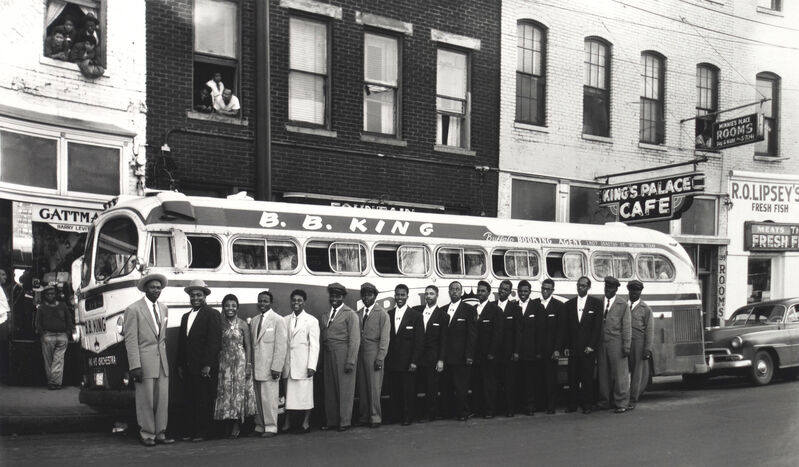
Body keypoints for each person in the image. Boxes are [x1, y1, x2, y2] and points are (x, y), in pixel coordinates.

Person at [123, 273, 173, 447]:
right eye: (153, 287)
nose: (156, 290)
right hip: (143, 362)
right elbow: (130, 340)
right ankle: (147, 434)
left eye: (159, 287)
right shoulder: (133, 309)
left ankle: (160, 433)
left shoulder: (164, 308)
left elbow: (162, 339)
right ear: (145, 289)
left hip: (162, 363)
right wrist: (135, 365)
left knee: (162, 400)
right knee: (146, 400)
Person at [177, 279, 222, 441]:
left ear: (205, 296)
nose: (195, 298)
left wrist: (208, 364)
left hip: (204, 366)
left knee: (204, 400)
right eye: (192, 295)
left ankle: (203, 432)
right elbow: (182, 343)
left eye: (199, 295)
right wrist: (180, 364)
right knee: (190, 399)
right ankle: (191, 430)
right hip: (188, 366)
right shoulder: (185, 317)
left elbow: (214, 341)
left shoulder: (212, 314)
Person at [213, 294, 258, 438]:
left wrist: (249, 365)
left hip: (240, 361)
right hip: (224, 361)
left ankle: (237, 424)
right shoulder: (219, 323)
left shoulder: (243, 324)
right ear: (223, 307)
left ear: (237, 307)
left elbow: (249, 346)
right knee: (226, 392)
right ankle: (226, 422)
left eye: (233, 306)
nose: (230, 308)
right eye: (227, 305)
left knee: (238, 392)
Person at [321, 282, 360, 431]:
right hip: (328, 354)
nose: (334, 299)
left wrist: (351, 360)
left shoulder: (350, 314)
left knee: (345, 389)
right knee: (330, 389)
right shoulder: (326, 314)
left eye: (338, 296)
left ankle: (344, 421)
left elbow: (355, 339)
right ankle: (332, 421)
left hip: (343, 354)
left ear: (343, 297)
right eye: (332, 296)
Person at [562, 276, 604, 414]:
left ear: (588, 287)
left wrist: (591, 345)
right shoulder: (569, 304)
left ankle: (587, 404)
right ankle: (572, 404)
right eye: (579, 285)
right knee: (572, 378)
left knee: (587, 378)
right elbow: (566, 328)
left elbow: (597, 327)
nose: (580, 288)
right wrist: (566, 346)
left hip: (588, 349)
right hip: (573, 348)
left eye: (583, 286)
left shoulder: (596, 304)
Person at [250, 291, 288, 437]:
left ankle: (271, 427)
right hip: (256, 367)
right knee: (258, 399)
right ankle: (260, 425)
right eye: (260, 301)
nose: (262, 304)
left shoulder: (278, 320)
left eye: (265, 301)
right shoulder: (254, 320)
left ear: (270, 303)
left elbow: (281, 346)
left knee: (270, 399)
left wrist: (277, 367)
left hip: (270, 368)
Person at [385, 284, 424, 426]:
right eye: (397, 294)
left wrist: (414, 361)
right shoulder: (388, 314)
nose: (399, 297)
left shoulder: (416, 316)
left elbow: (419, 341)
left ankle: (408, 416)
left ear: (407, 296)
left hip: (408, 362)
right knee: (394, 391)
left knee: (408, 391)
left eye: (402, 295)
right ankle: (395, 416)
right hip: (393, 361)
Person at [281, 289, 319, 434]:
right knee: (289, 395)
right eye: (294, 300)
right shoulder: (284, 320)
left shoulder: (311, 320)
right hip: (289, 364)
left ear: (304, 302)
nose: (296, 303)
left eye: (299, 300)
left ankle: (305, 422)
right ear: (290, 302)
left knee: (305, 395)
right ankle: (288, 422)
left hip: (304, 364)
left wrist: (312, 366)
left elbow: (315, 345)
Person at [441, 281, 477, 421]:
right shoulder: (443, 309)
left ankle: (463, 413)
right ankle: (448, 412)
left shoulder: (469, 309)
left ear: (461, 292)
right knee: (447, 387)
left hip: (461, 356)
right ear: (449, 292)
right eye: (452, 289)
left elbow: (472, 335)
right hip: (446, 356)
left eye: (457, 289)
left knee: (461, 387)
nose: (454, 291)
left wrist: (469, 355)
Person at [355, 282, 389, 428]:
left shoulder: (382, 314)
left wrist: (380, 357)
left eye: (369, 294)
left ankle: (375, 417)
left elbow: (385, 338)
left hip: (374, 352)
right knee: (362, 387)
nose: (366, 297)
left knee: (374, 388)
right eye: (364, 294)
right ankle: (364, 416)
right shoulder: (357, 314)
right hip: (360, 354)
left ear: (375, 296)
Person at [597, 276, 631, 413]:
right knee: (603, 374)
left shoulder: (622, 305)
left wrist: (626, 346)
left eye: (611, 288)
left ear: (616, 289)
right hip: (601, 343)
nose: (607, 290)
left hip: (617, 343)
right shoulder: (599, 302)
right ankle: (604, 401)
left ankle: (622, 403)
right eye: (606, 287)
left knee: (620, 374)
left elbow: (627, 327)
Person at [413, 285, 448, 422]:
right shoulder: (416, 311)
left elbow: (444, 340)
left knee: (431, 388)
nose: (428, 296)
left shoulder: (443, 316)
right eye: (426, 293)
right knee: (415, 386)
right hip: (416, 357)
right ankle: (415, 413)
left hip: (432, 358)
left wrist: (441, 360)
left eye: (431, 293)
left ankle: (430, 414)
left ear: (437, 295)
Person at [472, 280, 503, 419]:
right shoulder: (473, 309)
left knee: (489, 383)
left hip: (489, 355)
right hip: (476, 354)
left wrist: (492, 352)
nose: (480, 293)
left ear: (489, 293)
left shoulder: (495, 310)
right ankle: (478, 409)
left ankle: (490, 410)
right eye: (479, 291)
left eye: (483, 291)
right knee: (477, 383)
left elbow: (498, 333)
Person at [34, 284, 73, 390]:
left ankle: (54, 383)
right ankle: (54, 382)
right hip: (48, 336)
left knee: (58, 360)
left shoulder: (63, 305)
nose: (51, 295)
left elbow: (69, 319)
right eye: (48, 294)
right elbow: (38, 323)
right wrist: (43, 334)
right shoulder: (41, 308)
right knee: (50, 361)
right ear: (45, 295)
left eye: (52, 293)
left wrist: (67, 333)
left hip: (62, 336)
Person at [533, 279, 563, 414]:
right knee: (538, 379)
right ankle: (540, 405)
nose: (545, 291)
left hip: (551, 350)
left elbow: (560, 331)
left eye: (548, 289)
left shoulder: (558, 306)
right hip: (537, 350)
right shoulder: (534, 304)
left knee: (551, 379)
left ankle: (551, 406)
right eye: (543, 288)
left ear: (552, 291)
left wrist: (557, 349)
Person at [496, 280, 522, 417]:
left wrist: (516, 351)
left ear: (510, 292)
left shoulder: (515, 309)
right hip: (495, 353)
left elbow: (518, 332)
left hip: (509, 352)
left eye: (506, 289)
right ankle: (498, 408)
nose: (502, 291)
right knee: (496, 382)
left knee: (509, 383)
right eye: (501, 288)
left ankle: (510, 409)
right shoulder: (492, 306)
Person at [627, 280, 654, 409]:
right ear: (628, 291)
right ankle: (620, 397)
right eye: (632, 290)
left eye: (637, 290)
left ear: (640, 292)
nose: (634, 293)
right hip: (623, 341)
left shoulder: (646, 309)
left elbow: (649, 330)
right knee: (621, 371)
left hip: (638, 342)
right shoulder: (623, 306)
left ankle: (632, 399)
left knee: (637, 372)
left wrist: (647, 348)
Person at [518, 279, 539, 415]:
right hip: (516, 351)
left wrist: (538, 351)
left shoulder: (537, 307)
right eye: (520, 291)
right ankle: (519, 406)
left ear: (530, 292)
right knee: (518, 380)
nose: (523, 293)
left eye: (525, 291)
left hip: (531, 352)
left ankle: (530, 407)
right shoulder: (514, 306)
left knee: (530, 381)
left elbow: (540, 331)